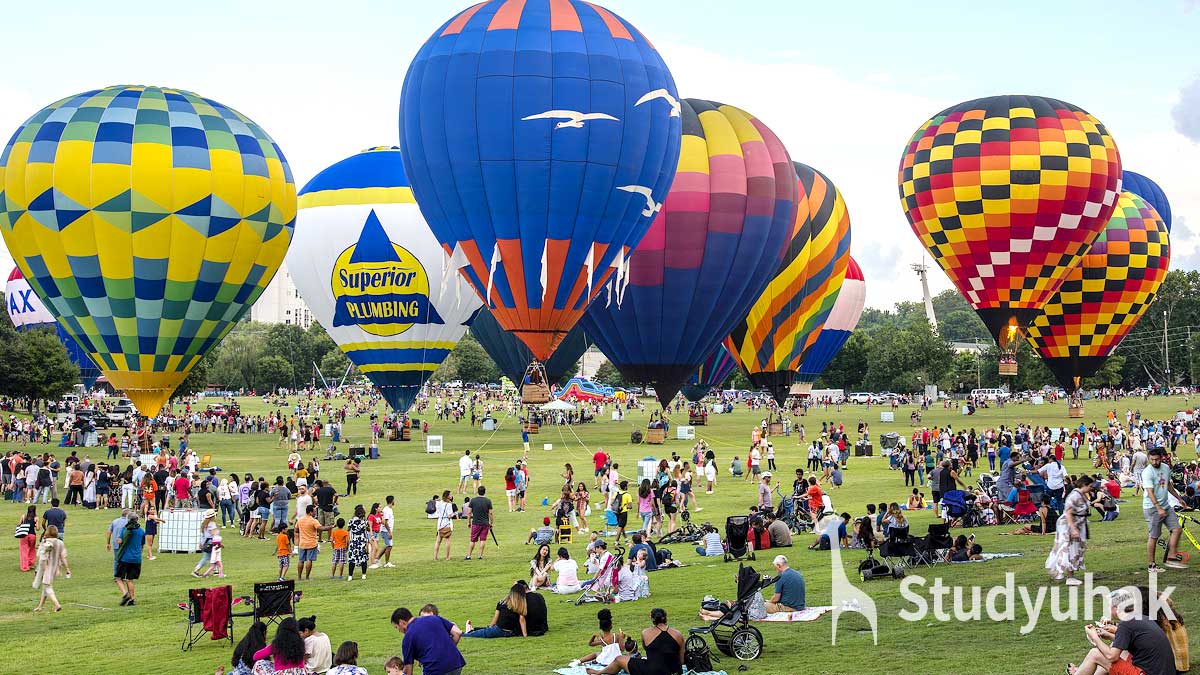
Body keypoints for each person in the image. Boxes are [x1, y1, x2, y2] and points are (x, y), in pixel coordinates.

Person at [1067, 586, 1176, 675]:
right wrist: (1108, 635)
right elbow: (1135, 643)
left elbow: (1112, 656)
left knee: (1094, 653)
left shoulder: (1126, 624)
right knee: (1122, 650)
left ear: (1116, 608)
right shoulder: (1141, 617)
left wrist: (1094, 637)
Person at [584, 607, 683, 675]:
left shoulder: (646, 633)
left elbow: (649, 652)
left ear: (652, 618)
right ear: (666, 617)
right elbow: (681, 661)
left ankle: (598, 673)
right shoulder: (678, 634)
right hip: (675, 671)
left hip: (654, 671)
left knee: (619, 659)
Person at [1143, 448, 1188, 572]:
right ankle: (1151, 565)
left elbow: (1168, 485)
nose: (1154, 462)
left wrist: (1179, 498)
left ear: (1161, 458)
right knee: (1154, 536)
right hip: (1152, 508)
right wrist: (1158, 507)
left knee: (1177, 529)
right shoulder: (1147, 472)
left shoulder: (1165, 468)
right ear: (1148, 458)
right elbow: (1150, 492)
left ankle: (1171, 557)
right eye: (1152, 459)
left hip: (1166, 505)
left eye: (1157, 459)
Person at [1046, 476, 1096, 586]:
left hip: (1078, 523)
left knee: (1072, 548)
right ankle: (1069, 576)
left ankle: (1059, 571)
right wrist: (1073, 528)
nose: (1091, 489)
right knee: (1069, 549)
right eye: (1090, 486)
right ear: (1084, 485)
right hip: (1069, 525)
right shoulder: (1074, 496)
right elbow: (1068, 512)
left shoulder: (1081, 495)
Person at [391, 605, 466, 675]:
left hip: (435, 670)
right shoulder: (435, 618)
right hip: (455, 663)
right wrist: (448, 650)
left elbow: (408, 671)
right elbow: (457, 633)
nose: (399, 630)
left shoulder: (408, 637)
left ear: (401, 622)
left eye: (396, 627)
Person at [462, 583, 528, 638]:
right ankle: (472, 629)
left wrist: (490, 627)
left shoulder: (502, 603)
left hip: (499, 630)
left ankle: (462, 634)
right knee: (485, 630)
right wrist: (525, 635)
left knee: (479, 634)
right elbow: (522, 620)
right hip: (511, 632)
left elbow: (495, 620)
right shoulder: (520, 606)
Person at [32, 525, 69, 612]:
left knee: (47, 586)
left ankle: (57, 605)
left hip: (47, 567)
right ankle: (40, 606)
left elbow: (40, 556)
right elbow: (63, 557)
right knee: (46, 586)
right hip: (55, 568)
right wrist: (67, 569)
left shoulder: (45, 542)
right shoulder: (60, 542)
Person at [297, 504, 333, 580]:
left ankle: (299, 577)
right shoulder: (313, 521)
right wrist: (331, 527)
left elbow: (296, 530)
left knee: (301, 560)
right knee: (309, 560)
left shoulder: (300, 520)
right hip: (311, 543)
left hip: (302, 543)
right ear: (310, 512)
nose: (315, 513)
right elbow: (321, 528)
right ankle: (307, 577)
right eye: (314, 511)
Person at [114, 514, 144, 606]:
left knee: (118, 578)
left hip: (125, 558)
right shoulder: (141, 531)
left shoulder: (125, 529)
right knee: (130, 580)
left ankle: (125, 594)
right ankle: (132, 600)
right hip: (136, 559)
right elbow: (142, 545)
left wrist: (118, 541)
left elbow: (119, 541)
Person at [466, 486, 493, 561]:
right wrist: (491, 523)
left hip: (475, 523)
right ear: (485, 492)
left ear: (478, 491)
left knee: (472, 540)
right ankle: (480, 555)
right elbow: (490, 513)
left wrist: (468, 522)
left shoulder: (473, 500)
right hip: (485, 523)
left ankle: (469, 555)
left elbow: (469, 512)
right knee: (483, 540)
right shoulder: (488, 501)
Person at [347, 504, 370, 581]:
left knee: (352, 559)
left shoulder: (351, 521)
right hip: (362, 542)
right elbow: (368, 530)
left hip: (354, 542)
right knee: (363, 559)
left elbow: (348, 529)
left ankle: (350, 576)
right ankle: (363, 574)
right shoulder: (365, 522)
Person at [433, 490, 455, 561]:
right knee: (447, 540)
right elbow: (449, 516)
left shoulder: (439, 503)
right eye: (450, 494)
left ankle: (435, 556)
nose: (451, 495)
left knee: (438, 541)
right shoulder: (449, 505)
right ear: (448, 496)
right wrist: (454, 514)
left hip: (440, 523)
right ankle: (447, 556)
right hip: (447, 523)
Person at [17, 505, 38, 571]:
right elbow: (37, 528)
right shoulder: (36, 518)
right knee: (32, 549)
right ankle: (31, 563)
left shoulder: (24, 516)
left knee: (24, 551)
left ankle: (25, 567)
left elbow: (19, 524)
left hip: (24, 535)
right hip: (32, 535)